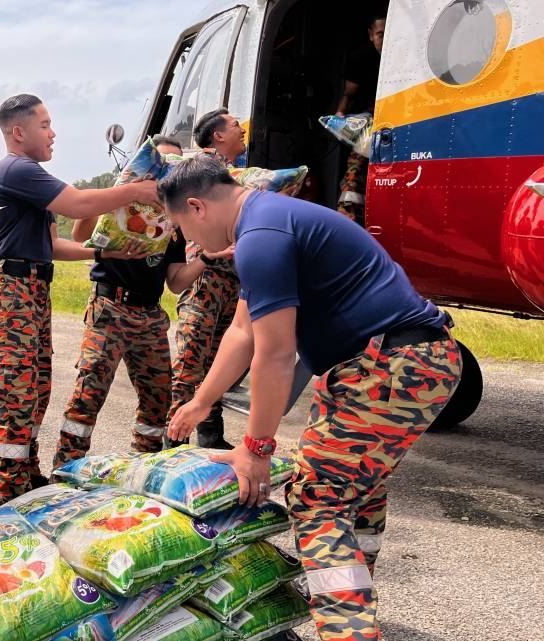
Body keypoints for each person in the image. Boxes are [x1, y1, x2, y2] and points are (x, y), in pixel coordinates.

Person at [162, 153, 460, 641]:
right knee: (356, 485)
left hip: (390, 366)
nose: (192, 243)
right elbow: (243, 333)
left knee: (316, 499)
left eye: (184, 230)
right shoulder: (267, 222)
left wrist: (256, 449)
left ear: (196, 206)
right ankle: (353, 596)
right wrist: (200, 401)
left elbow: (277, 356)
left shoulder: (262, 238)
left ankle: (348, 627)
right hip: (396, 363)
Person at [0, 93, 160, 501]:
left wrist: (104, 251)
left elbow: (53, 245)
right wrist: (135, 191)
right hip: (11, 292)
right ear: (18, 132)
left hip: (31, 288)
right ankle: (11, 494)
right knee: (16, 392)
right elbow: (78, 203)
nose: (53, 132)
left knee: (36, 388)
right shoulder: (15, 169)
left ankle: (28, 481)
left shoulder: (28, 178)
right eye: (44, 125)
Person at [53, 136, 197, 469]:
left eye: (174, 166)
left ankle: (141, 469)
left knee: (157, 402)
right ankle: (65, 470)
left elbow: (175, 282)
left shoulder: (172, 219)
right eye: (161, 163)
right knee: (88, 395)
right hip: (110, 308)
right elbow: (80, 235)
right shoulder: (120, 199)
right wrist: (123, 192)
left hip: (149, 315)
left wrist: (208, 258)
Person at [164, 109, 246, 450]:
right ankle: (173, 444)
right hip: (206, 280)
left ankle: (211, 436)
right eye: (234, 125)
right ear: (217, 135)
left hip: (229, 281)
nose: (242, 129)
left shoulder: (237, 176)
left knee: (216, 363)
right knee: (190, 364)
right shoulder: (200, 173)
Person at [335, 13, 385, 225]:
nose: (384, 40)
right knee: (355, 169)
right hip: (367, 122)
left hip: (393, 117)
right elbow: (349, 92)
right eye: (380, 34)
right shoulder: (361, 59)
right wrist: (339, 115)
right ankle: (347, 217)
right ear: (370, 35)